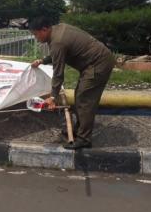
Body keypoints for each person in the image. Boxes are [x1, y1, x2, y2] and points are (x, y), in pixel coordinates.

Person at [29, 16, 115, 150]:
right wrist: (42, 61)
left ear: (44, 29)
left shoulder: (57, 41)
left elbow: (58, 73)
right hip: (95, 61)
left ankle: (84, 139)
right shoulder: (58, 30)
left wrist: (52, 97)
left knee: (84, 99)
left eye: (36, 34)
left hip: (98, 64)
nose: (36, 38)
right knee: (80, 96)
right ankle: (79, 131)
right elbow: (58, 54)